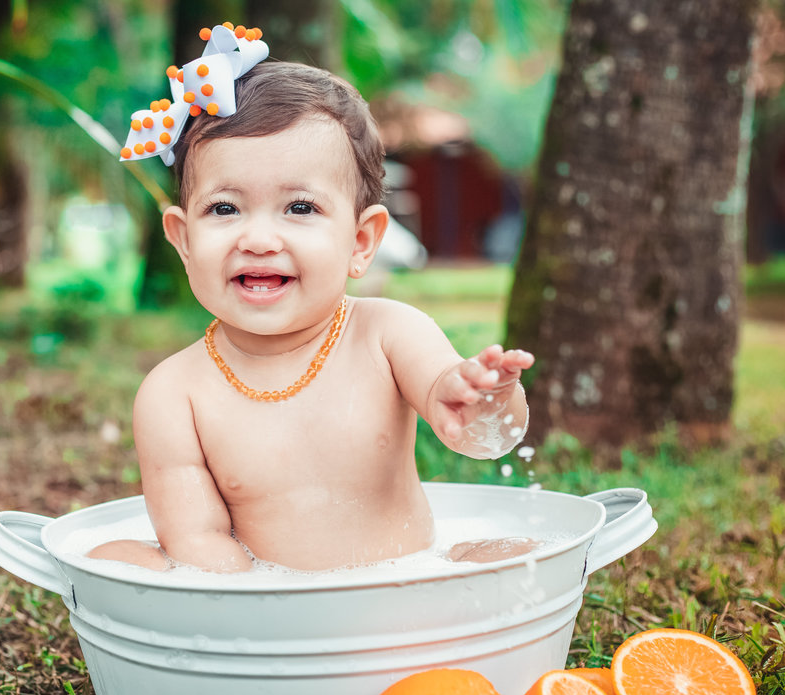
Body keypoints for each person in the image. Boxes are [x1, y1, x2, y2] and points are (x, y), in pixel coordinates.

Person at [91, 29, 534, 573]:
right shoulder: (172, 394)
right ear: (183, 240)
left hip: (408, 581)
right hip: (277, 615)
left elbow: (483, 437)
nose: (257, 238)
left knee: (520, 556)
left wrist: (482, 402)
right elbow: (198, 541)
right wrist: (270, 615)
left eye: (299, 208)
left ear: (360, 242)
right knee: (112, 560)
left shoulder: (388, 334)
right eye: (225, 209)